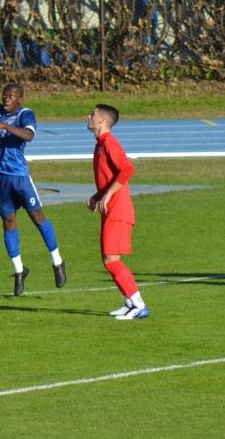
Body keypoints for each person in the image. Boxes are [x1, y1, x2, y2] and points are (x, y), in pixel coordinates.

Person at [0, 83, 66, 296]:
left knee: (37, 218)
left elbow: (29, 136)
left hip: (19, 176)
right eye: (4, 95)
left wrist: (2, 126)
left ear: (20, 99)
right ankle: (19, 270)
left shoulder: (25, 114)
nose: (6, 98)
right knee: (8, 222)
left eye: (11, 96)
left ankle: (57, 262)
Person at [86, 104, 149, 320]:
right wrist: (98, 196)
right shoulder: (100, 145)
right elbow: (110, 177)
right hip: (111, 208)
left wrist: (108, 195)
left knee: (111, 260)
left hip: (118, 210)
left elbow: (128, 169)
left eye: (92, 114)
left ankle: (138, 304)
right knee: (110, 259)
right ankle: (130, 302)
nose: (88, 117)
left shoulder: (110, 143)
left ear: (102, 120)